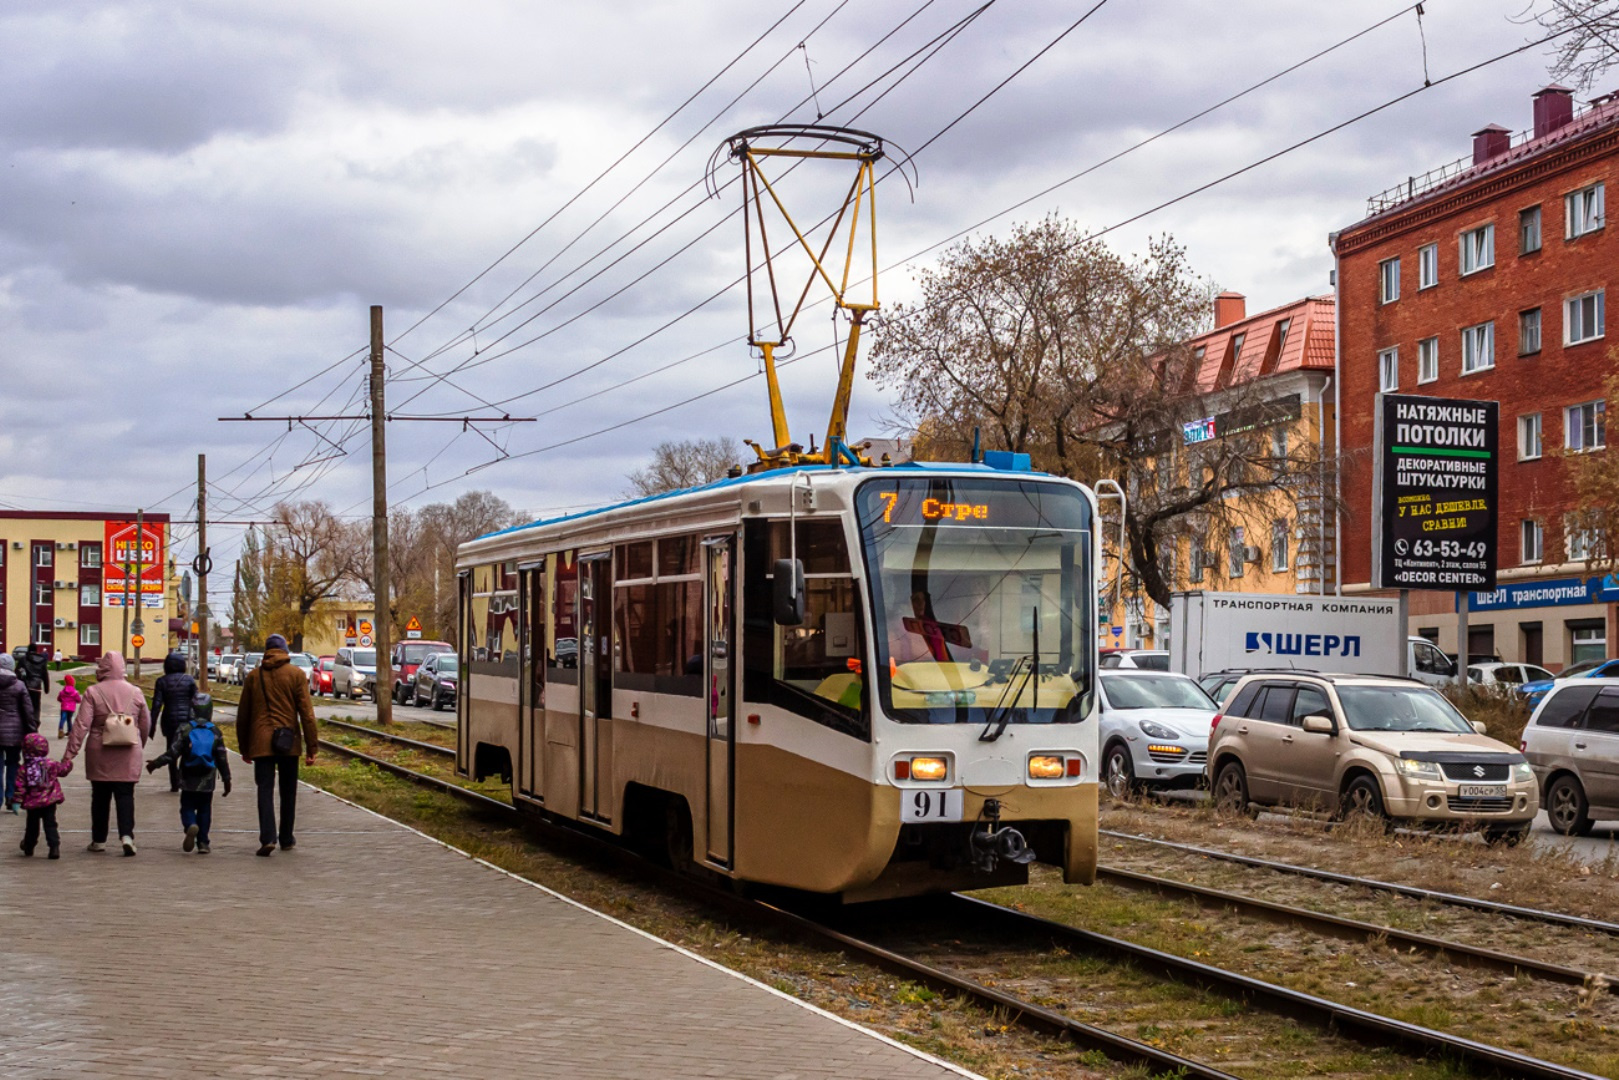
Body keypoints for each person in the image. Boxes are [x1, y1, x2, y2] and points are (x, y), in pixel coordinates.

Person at [236, 634, 317, 857]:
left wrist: (244, 747)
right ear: (284, 650)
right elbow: (307, 714)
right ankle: (287, 838)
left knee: (264, 790)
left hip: (261, 742)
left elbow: (243, 715)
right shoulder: (296, 675)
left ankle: (268, 837)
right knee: (288, 791)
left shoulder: (254, 677)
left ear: (267, 651)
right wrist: (312, 747)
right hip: (288, 741)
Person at [64, 651, 152, 856]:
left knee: (100, 796)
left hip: (99, 750)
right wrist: (140, 743)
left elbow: (81, 725)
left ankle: (99, 840)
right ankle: (127, 836)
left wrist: (69, 754)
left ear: (102, 668)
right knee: (125, 794)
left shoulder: (93, 692)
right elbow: (145, 723)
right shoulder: (136, 692)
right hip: (129, 750)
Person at [145, 694, 230, 853]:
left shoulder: (184, 729)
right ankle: (203, 842)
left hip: (187, 778)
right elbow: (222, 757)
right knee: (205, 809)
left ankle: (190, 824)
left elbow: (173, 754)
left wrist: (155, 764)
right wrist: (227, 779)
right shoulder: (215, 731)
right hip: (207, 780)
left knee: (187, 807)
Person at [16, 732, 71, 858]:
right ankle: (54, 847)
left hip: (32, 803)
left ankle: (29, 846)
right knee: (50, 824)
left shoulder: (25, 768)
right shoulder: (51, 764)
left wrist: (17, 800)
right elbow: (63, 770)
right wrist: (68, 763)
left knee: (32, 826)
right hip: (49, 801)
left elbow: (20, 785)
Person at [150, 652, 196, 793]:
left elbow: (157, 705)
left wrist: (151, 725)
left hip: (169, 721)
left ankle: (174, 784)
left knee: (171, 751)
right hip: (187, 721)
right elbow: (197, 702)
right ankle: (185, 779)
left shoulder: (161, 681)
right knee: (187, 751)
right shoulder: (189, 680)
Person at [0, 653, 38, 813]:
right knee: (13, 763)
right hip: (15, 732)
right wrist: (32, 729)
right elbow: (28, 710)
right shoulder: (19, 685)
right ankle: (10, 796)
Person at [18, 644, 50, 732]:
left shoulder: (23, 659)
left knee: (25, 705)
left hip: (25, 687)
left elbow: (18, 671)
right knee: (36, 707)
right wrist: (46, 688)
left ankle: (26, 724)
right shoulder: (42, 660)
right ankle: (35, 723)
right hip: (37, 687)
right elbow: (45, 674)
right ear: (36, 650)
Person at [57, 674, 80, 739]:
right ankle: (70, 731)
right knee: (69, 719)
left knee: (62, 719)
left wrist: (62, 700)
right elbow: (78, 700)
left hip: (64, 707)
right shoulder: (75, 692)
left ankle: (61, 730)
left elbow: (59, 698)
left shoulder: (63, 691)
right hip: (71, 708)